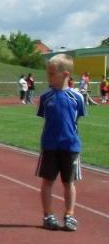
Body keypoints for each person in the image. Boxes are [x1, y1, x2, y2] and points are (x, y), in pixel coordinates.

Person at [37, 54, 86, 232]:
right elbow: (46, 118)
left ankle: (69, 214)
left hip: (70, 146)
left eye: (51, 74)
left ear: (65, 74)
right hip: (50, 146)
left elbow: (76, 119)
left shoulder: (77, 97)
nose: (48, 77)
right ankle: (48, 215)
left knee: (69, 182)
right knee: (47, 181)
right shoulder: (46, 97)